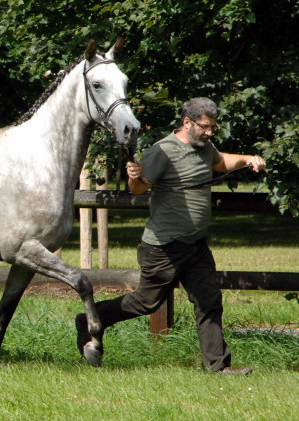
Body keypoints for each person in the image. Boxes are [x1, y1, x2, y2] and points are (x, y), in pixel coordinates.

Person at [76, 97, 265, 375]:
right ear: (187, 122)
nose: (209, 132)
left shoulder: (205, 147)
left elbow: (222, 162)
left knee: (209, 301)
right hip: (164, 248)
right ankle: (91, 319)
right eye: (204, 126)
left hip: (196, 246)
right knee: (146, 302)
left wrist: (247, 159)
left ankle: (219, 366)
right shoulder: (162, 151)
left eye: (213, 127)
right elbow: (139, 189)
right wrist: (134, 176)